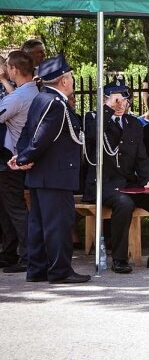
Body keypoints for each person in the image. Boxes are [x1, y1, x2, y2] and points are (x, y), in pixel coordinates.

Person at [9, 55, 89, 284]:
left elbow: (26, 133)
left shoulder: (40, 99)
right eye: (71, 77)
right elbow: (43, 137)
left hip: (42, 174)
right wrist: (24, 157)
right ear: (63, 81)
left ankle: (38, 269)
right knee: (58, 225)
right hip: (56, 175)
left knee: (38, 224)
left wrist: (22, 157)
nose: (72, 81)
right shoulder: (56, 104)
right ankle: (60, 271)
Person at [83, 80, 149, 274]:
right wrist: (107, 110)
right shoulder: (93, 119)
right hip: (103, 184)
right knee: (124, 203)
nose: (119, 104)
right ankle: (119, 258)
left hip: (128, 183)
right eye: (114, 100)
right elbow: (92, 136)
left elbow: (142, 158)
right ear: (104, 100)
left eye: (123, 100)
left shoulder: (133, 123)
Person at [0, 51, 38, 273]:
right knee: (7, 207)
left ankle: (28, 254)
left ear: (14, 69)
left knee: (14, 208)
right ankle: (11, 251)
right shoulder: (32, 91)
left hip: (11, 158)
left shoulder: (19, 96)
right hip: (18, 156)